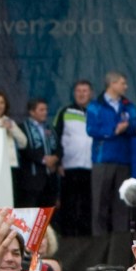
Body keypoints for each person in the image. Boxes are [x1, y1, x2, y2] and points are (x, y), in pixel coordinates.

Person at [86, 71, 136, 235]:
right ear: (113, 84)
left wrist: (127, 127)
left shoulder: (128, 105)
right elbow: (91, 129)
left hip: (123, 159)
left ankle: (120, 239)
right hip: (103, 159)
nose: (125, 87)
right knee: (100, 201)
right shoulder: (95, 105)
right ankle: (99, 239)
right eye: (122, 83)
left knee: (122, 201)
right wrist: (114, 130)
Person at [54, 80, 94, 236]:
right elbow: (55, 137)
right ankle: (68, 235)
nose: (81, 94)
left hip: (91, 166)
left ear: (90, 93)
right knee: (69, 202)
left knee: (87, 202)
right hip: (69, 166)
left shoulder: (96, 111)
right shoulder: (65, 111)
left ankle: (86, 236)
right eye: (78, 91)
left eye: (85, 91)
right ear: (74, 93)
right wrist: (58, 161)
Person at [17, 98, 60, 208]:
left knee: (48, 215)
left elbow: (59, 146)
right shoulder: (23, 128)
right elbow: (24, 149)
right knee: (31, 215)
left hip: (49, 180)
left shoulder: (50, 128)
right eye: (41, 110)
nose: (45, 112)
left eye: (46, 109)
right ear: (32, 112)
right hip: (32, 180)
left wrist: (55, 157)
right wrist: (44, 159)